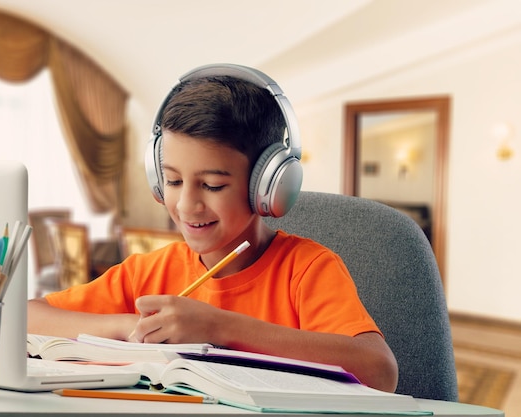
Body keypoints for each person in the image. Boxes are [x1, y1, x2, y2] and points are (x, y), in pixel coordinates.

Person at [28, 64, 399, 392]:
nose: (187, 205)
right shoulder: (149, 272)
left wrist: (219, 328)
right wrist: (127, 328)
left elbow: (379, 371)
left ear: (267, 186)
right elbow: (27, 315)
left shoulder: (306, 270)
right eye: (172, 182)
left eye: (213, 185)